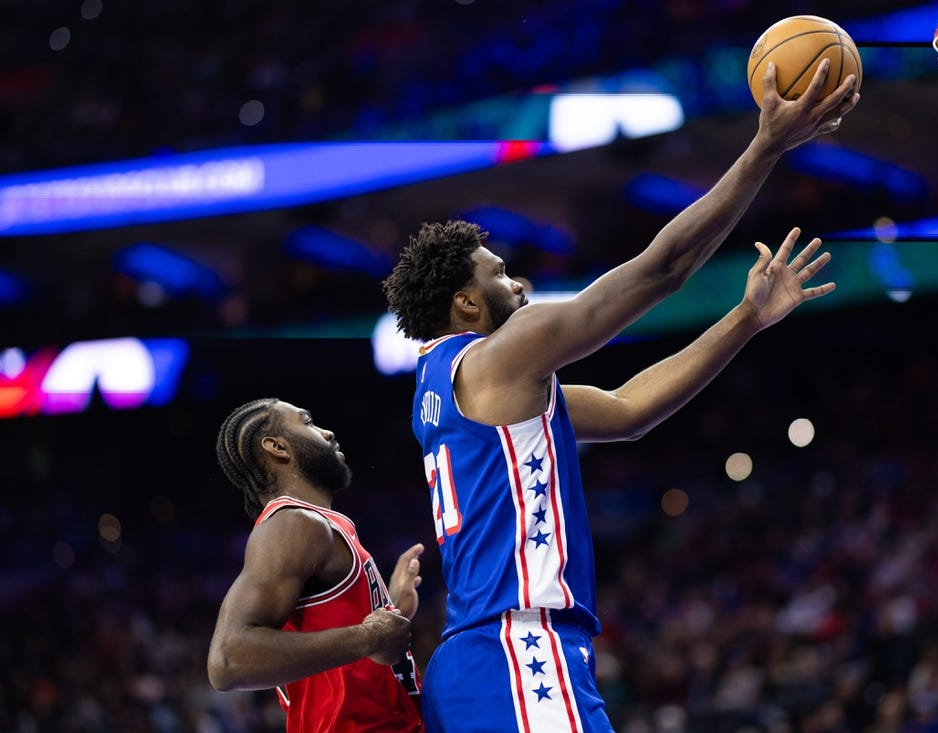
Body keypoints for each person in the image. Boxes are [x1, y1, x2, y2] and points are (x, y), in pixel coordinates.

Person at [381, 59, 859, 732]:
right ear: (465, 302)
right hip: (518, 654)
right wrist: (765, 147)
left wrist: (748, 317)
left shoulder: (458, 388)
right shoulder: (499, 357)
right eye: (500, 275)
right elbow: (661, 269)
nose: (518, 286)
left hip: (483, 663)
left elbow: (631, 408)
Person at [208, 397, 427, 733]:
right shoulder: (293, 524)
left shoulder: (316, 524)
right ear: (277, 447)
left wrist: (392, 608)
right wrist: (369, 636)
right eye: (308, 422)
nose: (327, 433)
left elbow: (342, 660)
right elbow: (228, 661)